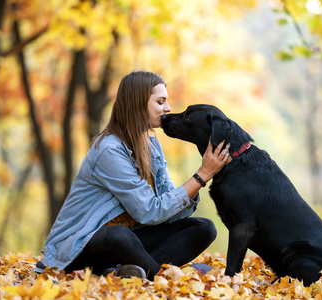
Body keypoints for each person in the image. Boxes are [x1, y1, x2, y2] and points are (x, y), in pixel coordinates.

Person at [34, 70, 231, 280]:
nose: (168, 108)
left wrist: (200, 180)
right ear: (138, 103)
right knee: (120, 236)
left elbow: (166, 213)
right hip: (80, 245)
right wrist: (201, 175)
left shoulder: (152, 147)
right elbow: (149, 212)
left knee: (204, 228)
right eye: (160, 101)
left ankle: (128, 272)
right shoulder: (108, 149)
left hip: (124, 244)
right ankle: (163, 278)